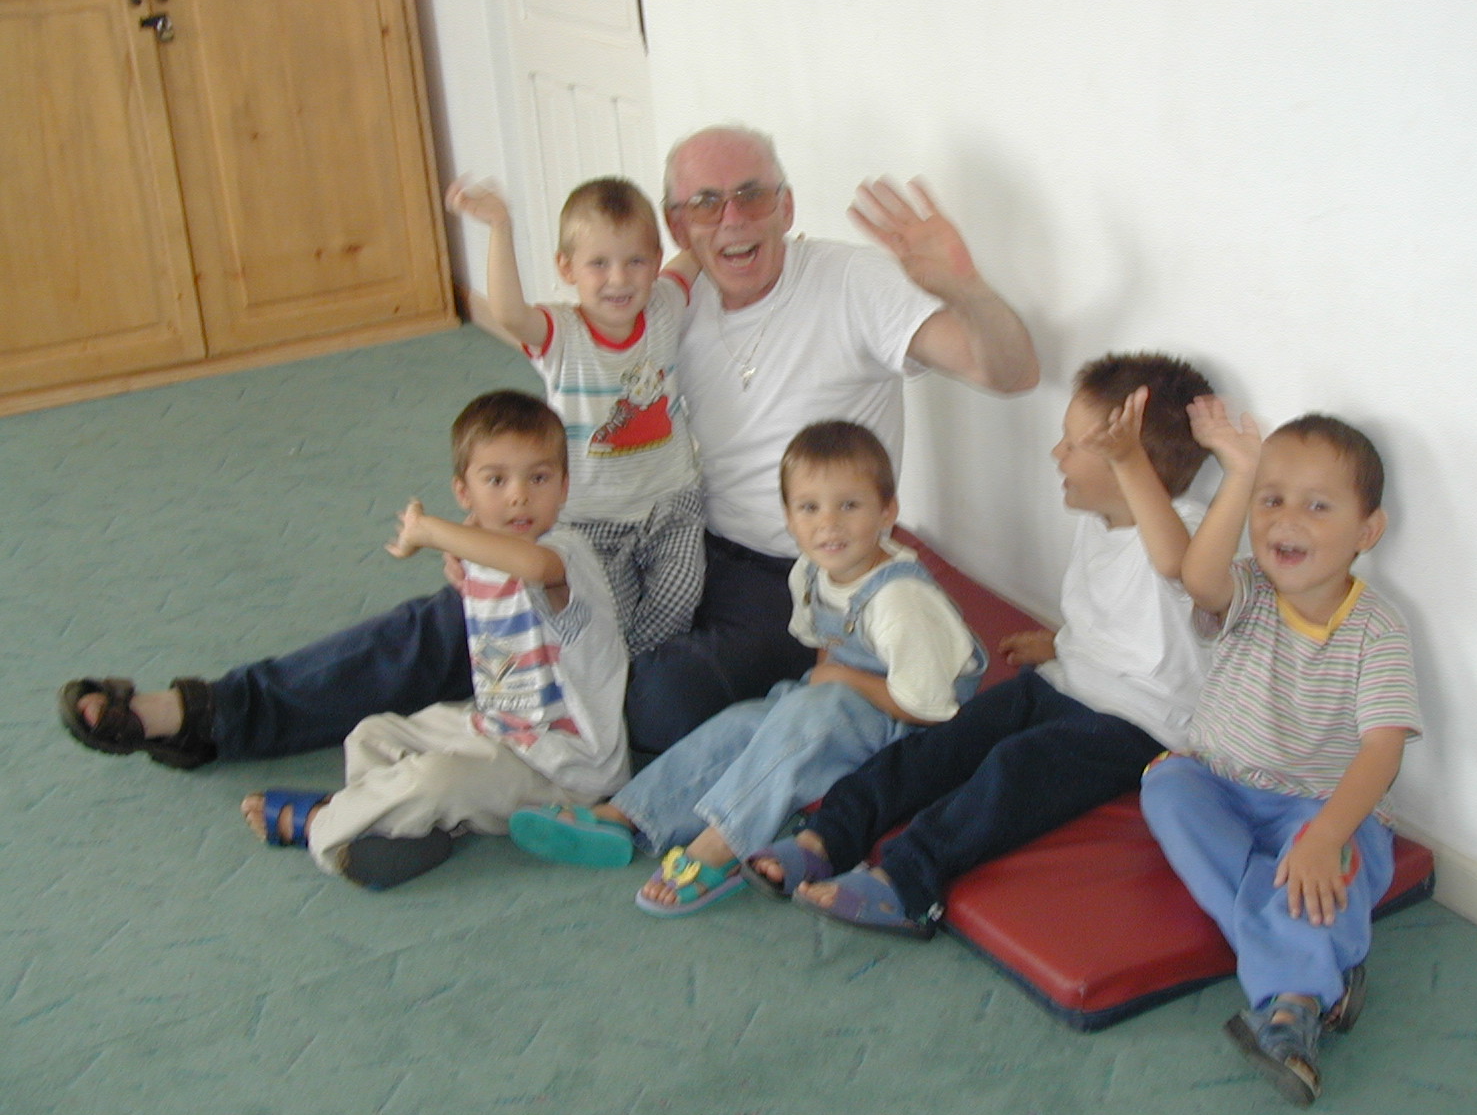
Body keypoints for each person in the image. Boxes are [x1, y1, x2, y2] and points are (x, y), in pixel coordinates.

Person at [57, 124, 1037, 773]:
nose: (730, 220)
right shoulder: (663, 299)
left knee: (653, 708)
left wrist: (964, 284)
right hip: (658, 526)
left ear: (786, 204)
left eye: (751, 196)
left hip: (788, 572)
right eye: (703, 206)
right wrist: (504, 535)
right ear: (675, 233)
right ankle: (198, 713)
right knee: (453, 618)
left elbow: (1008, 371)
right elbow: (564, 374)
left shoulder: (854, 284)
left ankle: (508, 742)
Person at [748, 353, 1215, 938]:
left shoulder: (1190, 530)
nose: (1056, 455)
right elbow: (1137, 621)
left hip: (1137, 725)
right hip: (1066, 683)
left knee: (1014, 770)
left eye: (1074, 445)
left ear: (1130, 462)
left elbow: (1172, 569)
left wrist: (1130, 463)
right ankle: (826, 836)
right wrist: (1064, 642)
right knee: (944, 744)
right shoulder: (1100, 521)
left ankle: (906, 884)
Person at [508, 421, 987, 917]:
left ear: (887, 510)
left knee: (818, 713)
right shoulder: (811, 571)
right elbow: (826, 649)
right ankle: (628, 814)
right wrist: (803, 701)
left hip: (916, 725)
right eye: (809, 508)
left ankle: (724, 843)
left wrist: (834, 686)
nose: (829, 525)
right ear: (788, 517)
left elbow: (932, 710)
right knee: (746, 721)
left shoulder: (899, 600)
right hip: (847, 698)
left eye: (850, 505)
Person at [1139, 401, 1422, 1106]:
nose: (1285, 520)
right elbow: (1197, 578)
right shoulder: (1249, 590)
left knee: (1327, 869)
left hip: (1327, 810)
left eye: (1317, 506)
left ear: (1367, 530)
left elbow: (1381, 753)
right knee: (1164, 787)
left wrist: (1326, 837)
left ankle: (1292, 1007)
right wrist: (1238, 472)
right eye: (1271, 500)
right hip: (1222, 785)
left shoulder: (1379, 630)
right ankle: (1322, 964)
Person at [239, 391, 630, 889]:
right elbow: (490, 568)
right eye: (496, 480)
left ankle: (325, 822)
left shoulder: (563, 552)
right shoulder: (483, 551)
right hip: (498, 728)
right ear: (463, 492)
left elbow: (531, 568)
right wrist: (464, 546)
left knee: (435, 780)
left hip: (564, 769)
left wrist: (433, 531)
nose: (518, 496)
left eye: (539, 478)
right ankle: (395, 829)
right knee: (371, 734)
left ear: (564, 486)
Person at [445, 175, 704, 658]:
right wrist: (501, 227)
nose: (619, 279)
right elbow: (506, 311)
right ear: (566, 268)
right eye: (598, 264)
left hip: (672, 504)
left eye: (636, 262)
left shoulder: (666, 304)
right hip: (591, 517)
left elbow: (696, 253)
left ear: (655, 263)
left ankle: (637, 673)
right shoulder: (561, 333)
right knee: (607, 614)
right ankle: (618, 674)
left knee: (679, 601)